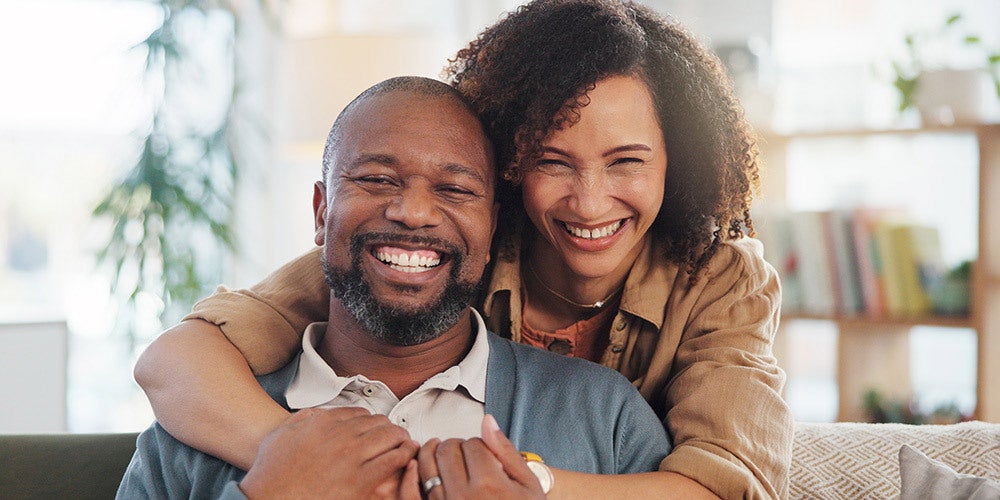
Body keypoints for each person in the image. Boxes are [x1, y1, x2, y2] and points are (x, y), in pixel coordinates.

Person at [134, 0, 793, 498]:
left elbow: (726, 483)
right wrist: (286, 461)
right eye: (554, 162)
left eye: (626, 162)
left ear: (678, 164)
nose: (590, 201)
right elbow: (179, 357)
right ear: (509, 170)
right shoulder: (435, 247)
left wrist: (529, 483)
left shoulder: (714, 286)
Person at [117, 76, 670, 499]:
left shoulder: (604, 417)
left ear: (493, 227)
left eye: (454, 189)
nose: (411, 213)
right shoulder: (198, 426)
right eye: (376, 180)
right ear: (321, 210)